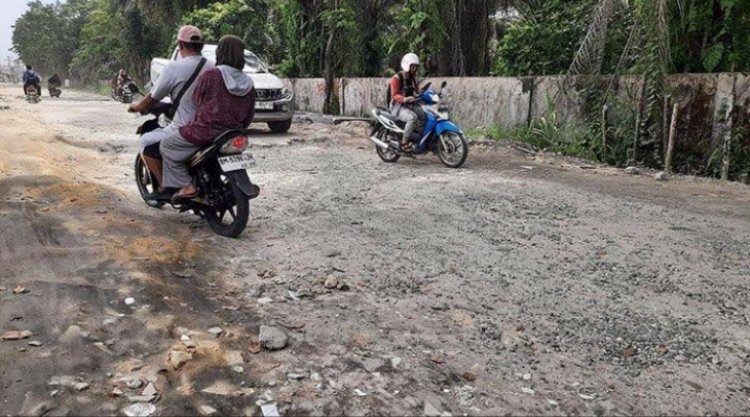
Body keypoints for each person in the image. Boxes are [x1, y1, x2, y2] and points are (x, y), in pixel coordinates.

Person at [159, 34, 256, 202]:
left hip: (204, 132)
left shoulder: (211, 75)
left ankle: (186, 186)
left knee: (166, 144)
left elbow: (196, 101)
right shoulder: (249, 83)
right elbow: (249, 116)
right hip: (233, 134)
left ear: (220, 52)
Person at [128, 25, 214, 188]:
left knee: (146, 141)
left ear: (180, 45)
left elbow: (152, 98)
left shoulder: (174, 67)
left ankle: (166, 186)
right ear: (201, 45)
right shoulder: (213, 66)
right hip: (213, 128)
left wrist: (137, 107)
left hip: (187, 129)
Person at [389, 53, 425, 150]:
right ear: (407, 65)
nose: (414, 69)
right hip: (398, 107)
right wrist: (404, 99)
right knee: (412, 118)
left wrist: (422, 94)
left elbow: (417, 91)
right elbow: (394, 95)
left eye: (416, 67)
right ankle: (404, 142)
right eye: (413, 66)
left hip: (409, 106)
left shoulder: (412, 79)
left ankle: (417, 138)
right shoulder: (397, 78)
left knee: (424, 115)